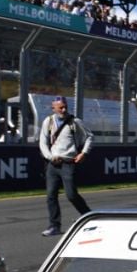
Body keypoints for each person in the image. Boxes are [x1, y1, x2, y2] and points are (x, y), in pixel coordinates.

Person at [38, 96, 93, 237]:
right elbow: (43, 142)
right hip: (52, 163)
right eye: (60, 107)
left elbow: (89, 137)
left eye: (65, 106)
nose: (63, 109)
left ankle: (89, 217)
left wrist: (83, 153)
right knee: (51, 195)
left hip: (68, 163)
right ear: (53, 108)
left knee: (71, 195)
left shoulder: (74, 122)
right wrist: (50, 156)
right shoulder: (48, 122)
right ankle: (54, 225)